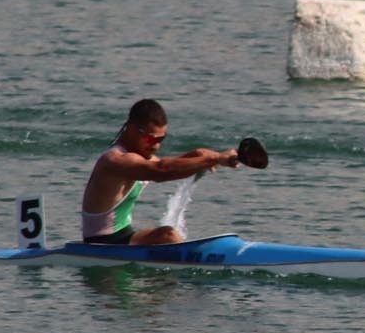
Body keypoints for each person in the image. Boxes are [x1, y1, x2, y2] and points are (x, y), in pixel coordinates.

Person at [79, 99, 244, 245]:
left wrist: (202, 155)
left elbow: (172, 164)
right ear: (131, 129)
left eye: (161, 139)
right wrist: (212, 160)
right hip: (103, 243)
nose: (156, 146)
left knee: (167, 235)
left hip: (124, 236)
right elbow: (161, 170)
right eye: (151, 139)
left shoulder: (138, 157)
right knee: (168, 236)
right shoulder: (116, 160)